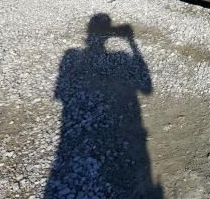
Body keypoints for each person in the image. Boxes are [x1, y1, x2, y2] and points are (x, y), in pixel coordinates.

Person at [44, 13, 163, 198]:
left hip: (72, 131)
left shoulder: (71, 55)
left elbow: (60, 94)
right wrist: (132, 42)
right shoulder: (121, 56)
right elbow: (146, 87)